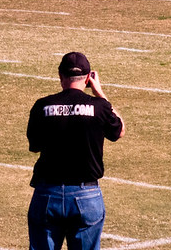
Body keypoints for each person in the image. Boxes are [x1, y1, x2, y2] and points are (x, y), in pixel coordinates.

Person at [27, 52, 125, 250]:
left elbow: (34, 145)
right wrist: (100, 93)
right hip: (86, 194)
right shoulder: (100, 106)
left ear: (60, 75)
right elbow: (119, 130)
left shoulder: (42, 105)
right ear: (88, 77)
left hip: (48, 193)